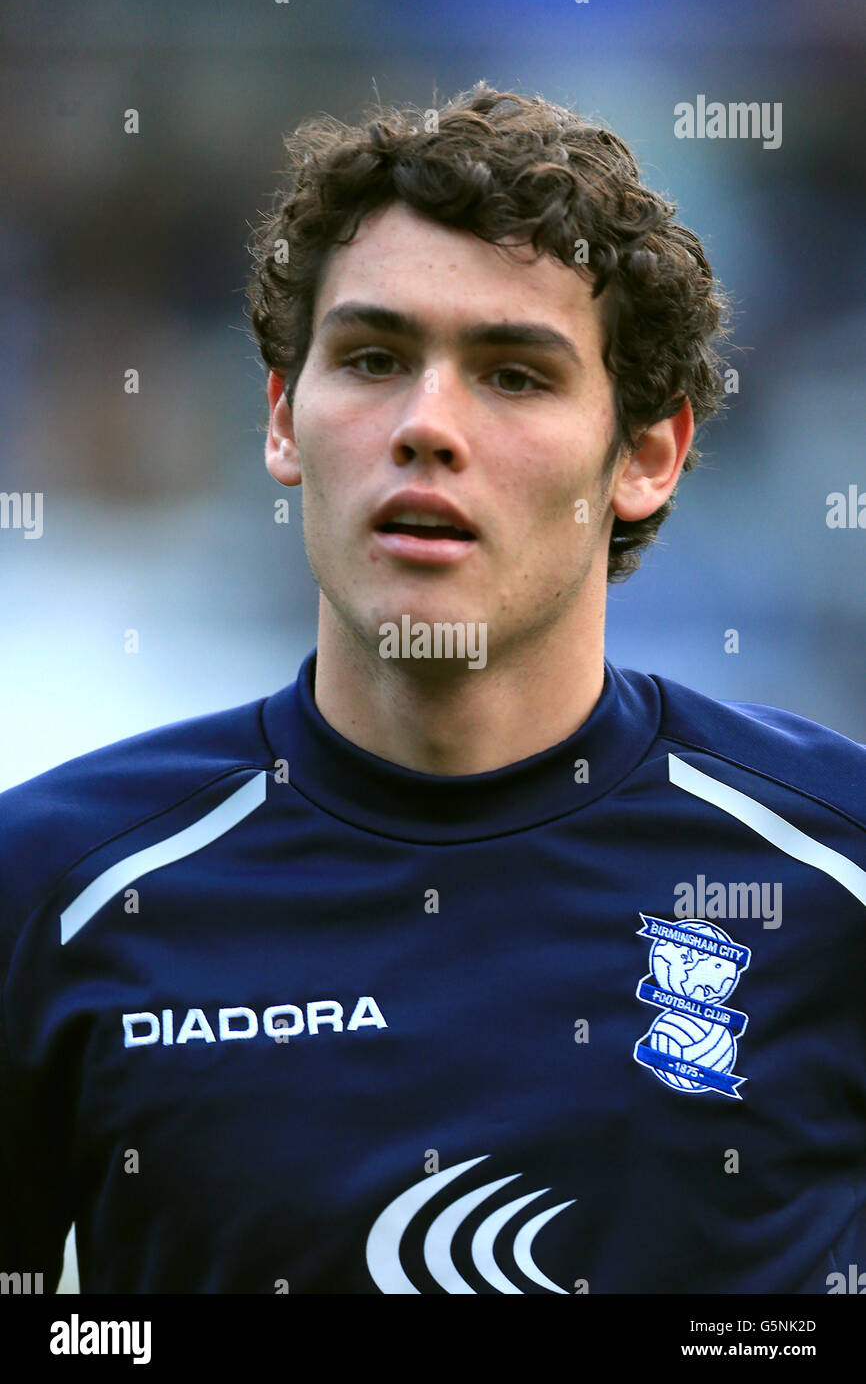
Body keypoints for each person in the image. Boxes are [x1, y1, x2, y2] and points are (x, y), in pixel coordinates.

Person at [1, 83, 863, 1296]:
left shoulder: (834, 872)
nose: (425, 425)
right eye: (370, 358)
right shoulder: (54, 890)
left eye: (512, 374)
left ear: (645, 458)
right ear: (283, 422)